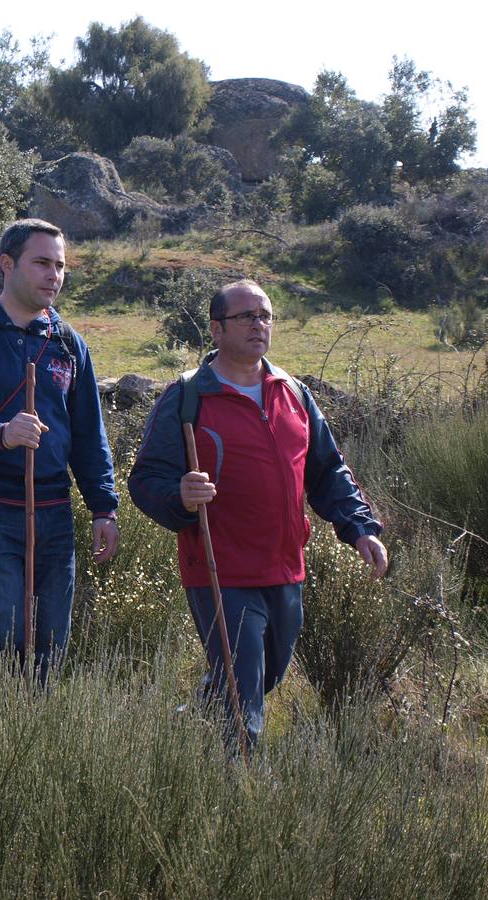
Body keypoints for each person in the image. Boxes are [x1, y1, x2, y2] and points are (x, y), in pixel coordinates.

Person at [128, 278, 389, 748]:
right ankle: (243, 794)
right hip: (219, 569)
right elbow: (145, 480)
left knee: (263, 676)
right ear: (216, 329)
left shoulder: (293, 393)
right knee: (243, 695)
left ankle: (187, 726)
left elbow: (328, 471)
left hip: (285, 568)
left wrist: (361, 529)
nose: (258, 324)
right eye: (246, 316)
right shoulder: (187, 397)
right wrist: (180, 498)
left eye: (265, 315)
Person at [0, 218, 120, 682]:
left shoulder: (70, 345)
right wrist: (0, 434)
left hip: (53, 506)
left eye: (60, 265)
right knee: (0, 627)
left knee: (51, 639)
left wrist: (104, 508)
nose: (54, 274)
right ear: (7, 264)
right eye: (42, 263)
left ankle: (30, 737)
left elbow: (90, 435)